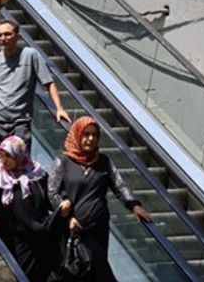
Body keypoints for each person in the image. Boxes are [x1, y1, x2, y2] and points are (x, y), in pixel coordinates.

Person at [48, 117, 153, 282]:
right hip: (70, 229)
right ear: (77, 134)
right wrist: (66, 212)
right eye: (86, 134)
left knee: (96, 271)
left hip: (97, 229)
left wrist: (134, 205)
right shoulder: (63, 161)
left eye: (94, 135)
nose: (90, 139)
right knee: (72, 270)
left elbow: (119, 185)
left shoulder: (104, 162)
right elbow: (52, 191)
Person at [0, 19, 71, 155]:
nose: (2, 39)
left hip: (20, 122)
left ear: (18, 36)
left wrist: (59, 108)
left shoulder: (30, 55)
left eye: (7, 34)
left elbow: (48, 83)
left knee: (20, 162)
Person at [0, 136, 59, 280]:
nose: (4, 160)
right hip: (15, 239)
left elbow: (49, 198)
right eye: (2, 156)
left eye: (8, 156)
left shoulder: (37, 173)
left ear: (19, 155)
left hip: (40, 236)